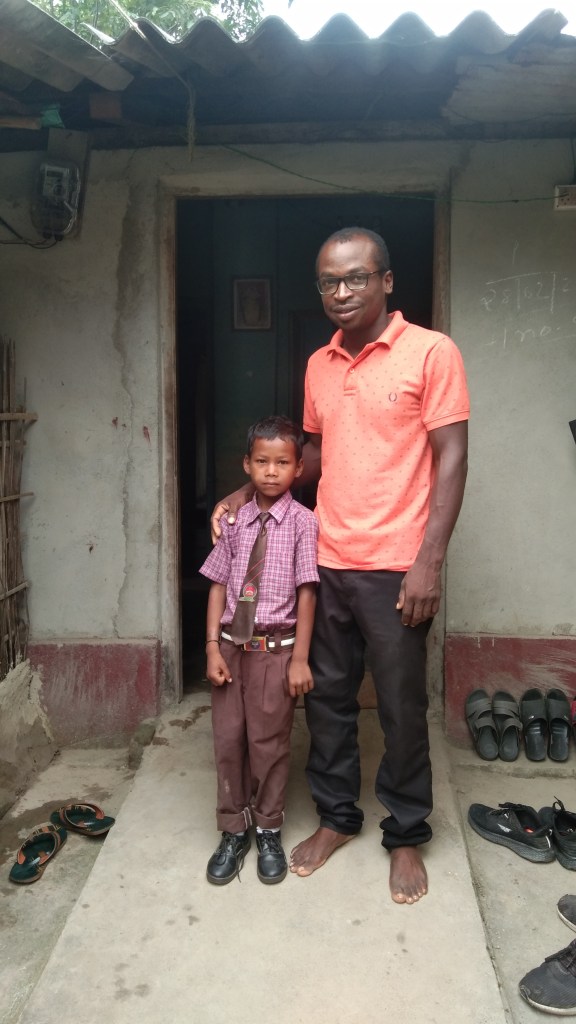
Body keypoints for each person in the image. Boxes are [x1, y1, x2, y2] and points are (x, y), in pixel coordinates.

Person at [211, 227, 469, 903]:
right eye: (329, 281)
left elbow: (452, 455)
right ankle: (337, 817)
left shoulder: (431, 352)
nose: (341, 291)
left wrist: (429, 561)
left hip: (396, 564)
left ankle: (406, 834)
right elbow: (316, 456)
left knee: (401, 707)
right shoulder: (319, 364)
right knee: (326, 700)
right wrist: (245, 492)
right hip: (324, 558)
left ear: (387, 281)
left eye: (356, 277)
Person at [199, 415, 319, 885]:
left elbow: (307, 592)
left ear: (299, 468)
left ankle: (268, 828)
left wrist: (300, 659)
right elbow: (217, 585)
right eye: (262, 461)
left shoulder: (304, 523)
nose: (272, 471)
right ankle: (233, 830)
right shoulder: (233, 522)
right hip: (231, 648)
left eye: (282, 463)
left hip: (276, 651)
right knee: (229, 739)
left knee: (269, 744)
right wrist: (212, 647)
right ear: (246, 465)